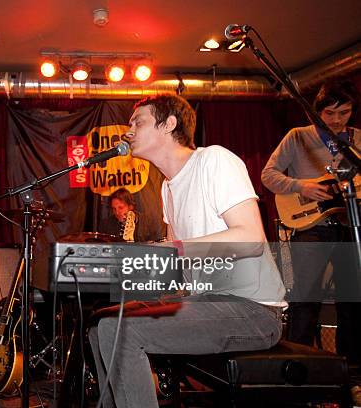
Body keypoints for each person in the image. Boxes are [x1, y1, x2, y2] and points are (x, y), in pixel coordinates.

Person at [88, 93, 286, 407]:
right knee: (99, 324)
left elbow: (250, 239)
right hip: (205, 302)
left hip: (254, 310)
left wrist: (172, 249)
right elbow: (176, 267)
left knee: (119, 333)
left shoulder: (214, 160)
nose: (128, 131)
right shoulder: (168, 186)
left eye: (137, 122)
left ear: (168, 124)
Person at [261, 78, 361, 365]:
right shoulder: (298, 136)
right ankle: (298, 368)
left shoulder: (357, 139)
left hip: (349, 226)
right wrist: (300, 186)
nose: (337, 120)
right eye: (330, 114)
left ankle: (350, 370)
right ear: (317, 112)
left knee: (352, 304)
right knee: (305, 300)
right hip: (310, 226)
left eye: (344, 113)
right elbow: (268, 175)